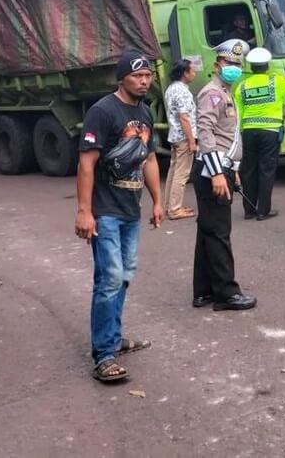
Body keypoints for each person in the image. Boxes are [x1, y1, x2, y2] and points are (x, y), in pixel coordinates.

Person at [75, 51, 164, 383]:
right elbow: (86, 164)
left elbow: (149, 158)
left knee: (124, 275)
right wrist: (84, 212)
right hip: (106, 211)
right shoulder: (102, 111)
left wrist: (158, 201)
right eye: (137, 76)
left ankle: (113, 338)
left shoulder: (143, 111)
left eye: (148, 76)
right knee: (109, 279)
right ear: (122, 78)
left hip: (131, 209)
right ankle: (104, 355)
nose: (144, 81)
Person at [191, 39, 257, 311]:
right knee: (219, 232)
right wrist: (218, 173)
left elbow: (226, 135)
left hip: (220, 167)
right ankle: (226, 293)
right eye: (230, 63)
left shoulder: (226, 91)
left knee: (208, 230)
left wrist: (234, 172)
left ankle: (204, 291)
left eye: (238, 64)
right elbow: (204, 132)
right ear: (217, 63)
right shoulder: (213, 93)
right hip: (212, 169)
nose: (234, 68)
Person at [235, 47, 285, 220]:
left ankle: (249, 210)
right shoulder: (276, 82)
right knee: (266, 170)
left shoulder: (241, 86)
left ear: (250, 66)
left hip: (249, 131)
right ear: (267, 65)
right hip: (270, 132)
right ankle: (263, 210)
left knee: (249, 169)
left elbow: (239, 112)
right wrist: (277, 74)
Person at [164, 58, 198, 220]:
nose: (194, 73)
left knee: (173, 171)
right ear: (185, 73)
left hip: (175, 135)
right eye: (192, 70)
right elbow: (184, 117)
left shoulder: (172, 88)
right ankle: (175, 209)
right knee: (182, 174)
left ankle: (169, 205)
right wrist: (192, 141)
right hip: (184, 136)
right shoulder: (183, 91)